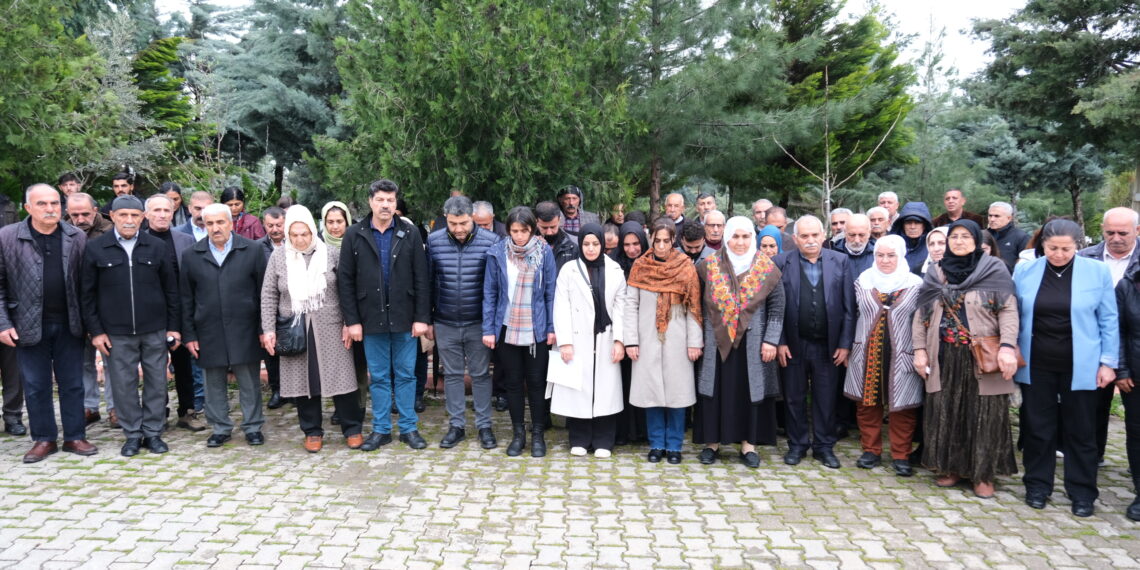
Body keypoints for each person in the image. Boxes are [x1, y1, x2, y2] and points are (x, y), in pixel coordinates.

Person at [1014, 219, 1117, 517]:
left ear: (1078, 246)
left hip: (1081, 363)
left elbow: (1109, 320)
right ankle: (1037, 485)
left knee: (1081, 431)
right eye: (1052, 248)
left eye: (1066, 249)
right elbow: (1016, 314)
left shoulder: (1096, 272)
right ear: (1042, 245)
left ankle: (1082, 492)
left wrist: (1108, 362)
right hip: (1038, 362)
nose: (1059, 254)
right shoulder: (1025, 271)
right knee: (1037, 428)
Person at [912, 220, 1019, 499]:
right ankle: (951, 468)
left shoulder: (994, 269)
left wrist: (1008, 346)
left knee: (984, 413)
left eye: (965, 237)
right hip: (944, 353)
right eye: (954, 237)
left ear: (976, 240)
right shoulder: (937, 272)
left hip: (983, 355)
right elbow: (921, 314)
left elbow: (1008, 310)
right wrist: (919, 349)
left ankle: (983, 474)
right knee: (946, 410)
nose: (959, 242)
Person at [0, 184, 96, 463]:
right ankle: (43, 439)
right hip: (27, 324)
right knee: (36, 384)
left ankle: (75, 436)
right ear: (27, 208)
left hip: (70, 323)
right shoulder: (7, 237)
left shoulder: (75, 236)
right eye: (42, 204)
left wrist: (90, 324)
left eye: (55, 203)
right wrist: (3, 323)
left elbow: (85, 285)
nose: (51, 208)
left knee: (73, 383)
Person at [80, 195, 180, 457]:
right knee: (123, 385)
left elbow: (172, 291)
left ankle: (153, 432)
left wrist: (173, 327)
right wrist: (97, 331)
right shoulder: (96, 248)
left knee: (157, 382)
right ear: (112, 216)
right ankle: (133, 434)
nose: (129, 220)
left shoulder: (157, 247)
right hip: (116, 332)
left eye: (135, 215)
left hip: (155, 329)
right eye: (123, 215)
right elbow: (87, 295)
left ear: (142, 218)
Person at [260, 205, 363, 452]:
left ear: (312, 230)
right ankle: (312, 431)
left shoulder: (330, 254)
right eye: (294, 234)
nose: (299, 239)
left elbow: (347, 291)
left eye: (304, 233)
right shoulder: (279, 257)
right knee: (303, 381)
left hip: (331, 326)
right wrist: (268, 329)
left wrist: (350, 323)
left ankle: (352, 428)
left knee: (342, 377)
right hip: (294, 328)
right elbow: (268, 294)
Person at [338, 179, 432, 452]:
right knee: (378, 376)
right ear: (370, 201)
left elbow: (421, 277)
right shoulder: (355, 234)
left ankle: (409, 428)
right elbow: (345, 281)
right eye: (380, 199)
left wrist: (421, 317)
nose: (385, 205)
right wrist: (352, 320)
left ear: (395, 203)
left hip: (405, 316)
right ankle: (381, 430)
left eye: (390, 200)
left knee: (405, 374)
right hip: (370, 318)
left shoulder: (409, 232)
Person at [694, 217, 784, 468]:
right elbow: (697, 305)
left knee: (749, 391)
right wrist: (698, 338)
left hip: (752, 344)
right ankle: (712, 444)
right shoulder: (708, 266)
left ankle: (749, 445)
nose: (740, 242)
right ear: (726, 237)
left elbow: (777, 307)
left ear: (752, 239)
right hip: (716, 341)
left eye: (745, 237)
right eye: (735, 236)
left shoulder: (766, 268)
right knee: (714, 390)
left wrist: (771, 341)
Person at [181, 203, 269, 448]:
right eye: (210, 223)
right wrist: (189, 334)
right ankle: (220, 427)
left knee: (249, 381)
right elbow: (186, 298)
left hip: (245, 326)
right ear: (203, 225)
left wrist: (264, 328)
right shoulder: (191, 254)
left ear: (231, 223)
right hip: (207, 328)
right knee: (213, 382)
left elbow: (264, 293)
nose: (215, 228)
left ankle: (252, 426)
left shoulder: (251, 250)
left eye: (220, 222)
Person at [772, 215, 855, 469]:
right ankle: (797, 445)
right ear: (795, 239)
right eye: (804, 236)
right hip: (793, 344)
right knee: (794, 397)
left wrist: (844, 344)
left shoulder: (840, 261)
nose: (810, 241)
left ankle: (824, 447)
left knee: (825, 397)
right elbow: (775, 307)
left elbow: (849, 307)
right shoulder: (780, 262)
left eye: (814, 235)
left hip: (827, 345)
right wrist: (780, 341)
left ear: (823, 235)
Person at [625, 219, 703, 464]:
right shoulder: (640, 266)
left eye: (665, 241)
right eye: (656, 240)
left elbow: (694, 306)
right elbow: (630, 305)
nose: (660, 245)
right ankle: (657, 444)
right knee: (652, 394)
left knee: (677, 395)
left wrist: (694, 342)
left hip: (677, 339)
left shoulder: (685, 267)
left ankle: (675, 446)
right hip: (647, 338)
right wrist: (631, 341)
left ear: (673, 241)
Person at [845, 235, 924, 476]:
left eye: (891, 255)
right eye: (880, 255)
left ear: (901, 256)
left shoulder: (916, 284)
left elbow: (923, 321)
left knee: (902, 407)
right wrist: (846, 347)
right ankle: (871, 450)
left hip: (902, 354)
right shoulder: (863, 281)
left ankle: (901, 455)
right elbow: (850, 315)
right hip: (866, 351)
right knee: (867, 403)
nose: (885, 260)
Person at [482, 206, 557, 457]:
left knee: (536, 383)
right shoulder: (497, 253)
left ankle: (537, 434)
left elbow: (550, 293)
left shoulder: (544, 252)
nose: (519, 236)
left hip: (535, 328)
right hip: (507, 328)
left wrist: (551, 328)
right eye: (514, 231)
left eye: (524, 230)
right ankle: (518, 434)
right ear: (508, 230)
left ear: (532, 228)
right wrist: (489, 329)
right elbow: (490, 293)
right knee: (513, 383)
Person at [426, 196, 500, 450]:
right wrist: (428, 318)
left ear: (472, 218)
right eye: (452, 223)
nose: (458, 229)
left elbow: (495, 287)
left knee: (480, 375)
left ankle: (484, 426)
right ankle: (456, 425)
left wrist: (491, 324)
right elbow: (427, 282)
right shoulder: (434, 242)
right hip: (445, 321)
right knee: (453, 375)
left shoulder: (491, 242)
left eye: (463, 223)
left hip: (478, 322)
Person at [551, 224, 627, 458]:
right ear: (580, 244)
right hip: (577, 337)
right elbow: (560, 306)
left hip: (606, 336)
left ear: (602, 244)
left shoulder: (615, 269)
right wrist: (564, 342)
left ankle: (604, 439)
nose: (591, 248)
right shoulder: (569, 270)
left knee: (606, 390)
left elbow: (621, 306)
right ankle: (580, 438)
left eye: (595, 244)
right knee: (579, 389)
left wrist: (619, 341)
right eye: (586, 244)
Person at [1079, 207, 1140, 466]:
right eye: (1109, 232)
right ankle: (1093, 458)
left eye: (1123, 233)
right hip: (1093, 345)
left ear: (1137, 231)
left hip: (1133, 345)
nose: (1115, 238)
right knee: (1092, 409)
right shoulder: (1085, 258)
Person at [142, 194, 204, 432]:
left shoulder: (185, 240)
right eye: (156, 210)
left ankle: (187, 411)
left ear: (174, 212)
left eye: (166, 211)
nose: (161, 215)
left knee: (185, 365)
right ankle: (158, 413)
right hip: (152, 313)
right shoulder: (140, 240)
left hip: (182, 311)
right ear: (146, 214)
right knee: (154, 367)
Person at [66, 192, 116, 426]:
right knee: (83, 360)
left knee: (111, 359)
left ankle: (116, 407)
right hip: (72, 305)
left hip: (104, 305)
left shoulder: (110, 230)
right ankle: (89, 406)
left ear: (95, 210)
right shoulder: (62, 231)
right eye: (74, 214)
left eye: (85, 213)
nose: (80, 218)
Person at [610, 221, 649, 445]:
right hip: (621, 331)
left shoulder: (652, 264)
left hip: (645, 332)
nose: (632, 249)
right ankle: (623, 431)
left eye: (636, 244)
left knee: (642, 380)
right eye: (627, 244)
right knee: (623, 381)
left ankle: (643, 430)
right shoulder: (614, 265)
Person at [1113, 260, 1140, 521]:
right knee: (1137, 433)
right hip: (1135, 374)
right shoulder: (1128, 284)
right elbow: (1118, 330)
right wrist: (1121, 370)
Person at [258, 207, 289, 410]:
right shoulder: (256, 248)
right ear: (264, 224)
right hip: (267, 305)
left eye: (279, 225)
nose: (275, 229)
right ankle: (277, 389)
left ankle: (295, 390)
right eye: (271, 225)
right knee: (271, 352)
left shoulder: (297, 243)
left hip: (290, 306)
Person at [890, 202, 933, 275]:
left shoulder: (934, 246)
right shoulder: (891, 245)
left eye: (917, 222)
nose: (912, 227)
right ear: (902, 225)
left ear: (925, 225)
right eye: (908, 222)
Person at [986, 201, 1029, 272]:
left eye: (997, 216)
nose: (992, 219)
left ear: (1009, 218)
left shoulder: (1021, 237)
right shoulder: (983, 235)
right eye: (990, 216)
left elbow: (1026, 265)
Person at [535, 200, 578, 271]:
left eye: (553, 227)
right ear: (536, 222)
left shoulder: (572, 246)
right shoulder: (526, 244)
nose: (549, 232)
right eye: (544, 228)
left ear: (559, 220)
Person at [831, 214, 874, 278]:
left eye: (861, 235)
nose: (857, 240)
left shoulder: (878, 254)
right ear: (845, 233)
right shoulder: (832, 255)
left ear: (869, 233)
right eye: (852, 235)